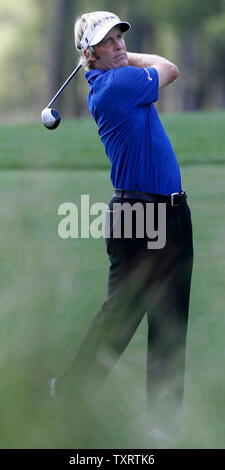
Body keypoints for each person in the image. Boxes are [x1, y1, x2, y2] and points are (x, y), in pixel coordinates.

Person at [49, 11, 193, 439]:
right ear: (89, 53)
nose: (120, 46)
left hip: (169, 211)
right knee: (129, 314)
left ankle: (160, 420)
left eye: (120, 38)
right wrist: (127, 61)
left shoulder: (114, 80)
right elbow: (170, 68)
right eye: (108, 42)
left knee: (159, 316)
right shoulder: (116, 85)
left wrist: (117, 57)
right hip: (142, 212)